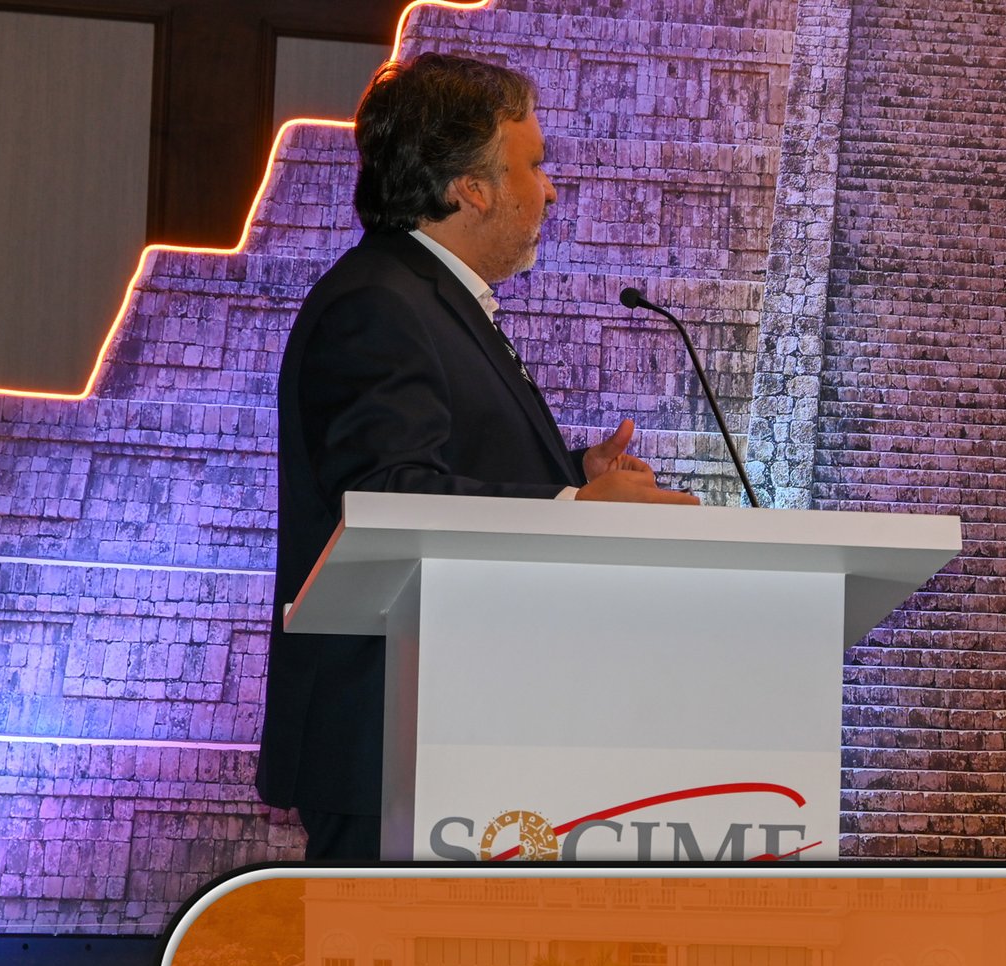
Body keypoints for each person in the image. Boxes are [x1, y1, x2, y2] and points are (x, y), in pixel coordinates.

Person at [258, 53, 697, 860]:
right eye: (534, 164)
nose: (550, 191)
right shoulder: (379, 304)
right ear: (471, 187)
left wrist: (573, 474)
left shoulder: (423, 296)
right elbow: (388, 494)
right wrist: (572, 509)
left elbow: (434, 463)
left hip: (447, 733)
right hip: (395, 746)